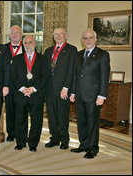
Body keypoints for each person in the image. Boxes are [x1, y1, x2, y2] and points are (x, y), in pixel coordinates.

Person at [69, 29, 110, 159]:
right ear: (82, 40)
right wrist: (73, 92)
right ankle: (84, 144)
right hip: (80, 94)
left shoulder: (102, 55)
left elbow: (105, 77)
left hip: (94, 96)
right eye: (85, 38)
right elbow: (75, 75)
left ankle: (93, 148)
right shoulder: (78, 55)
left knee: (92, 122)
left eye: (90, 38)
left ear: (95, 39)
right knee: (81, 121)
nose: (88, 40)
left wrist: (102, 96)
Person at [12, 36, 49, 152]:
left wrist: (33, 89)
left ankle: (33, 143)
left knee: (36, 120)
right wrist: (23, 89)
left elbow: (45, 76)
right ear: (23, 45)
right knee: (19, 119)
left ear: (35, 44)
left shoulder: (43, 59)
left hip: (36, 94)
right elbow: (14, 76)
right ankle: (21, 142)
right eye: (26, 43)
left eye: (31, 42)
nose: (28, 45)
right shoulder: (17, 59)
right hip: (21, 94)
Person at [44, 28, 77, 150]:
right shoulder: (48, 51)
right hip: (49, 88)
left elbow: (71, 71)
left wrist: (66, 87)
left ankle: (64, 139)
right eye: (55, 34)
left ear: (65, 36)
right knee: (51, 115)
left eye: (60, 34)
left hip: (63, 89)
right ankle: (55, 138)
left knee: (62, 115)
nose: (58, 36)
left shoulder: (71, 50)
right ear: (53, 37)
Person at [4, 25, 25, 142]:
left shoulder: (27, 46)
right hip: (8, 85)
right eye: (13, 33)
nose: (15, 35)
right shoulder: (3, 48)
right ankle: (11, 133)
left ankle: (20, 133)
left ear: (21, 34)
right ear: (10, 35)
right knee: (10, 110)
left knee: (21, 110)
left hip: (22, 85)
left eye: (17, 33)